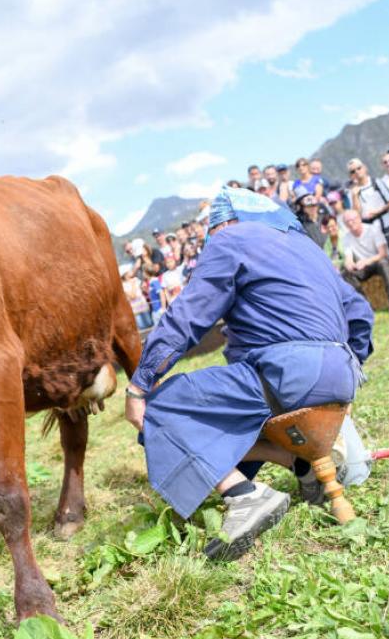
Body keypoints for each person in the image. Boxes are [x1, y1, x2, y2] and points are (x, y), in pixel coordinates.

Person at [124, 187, 373, 561]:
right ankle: (300, 463)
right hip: (340, 373)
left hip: (288, 377)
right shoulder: (308, 249)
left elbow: (188, 317)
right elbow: (360, 312)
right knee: (236, 399)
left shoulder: (231, 240)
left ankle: (244, 496)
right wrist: (350, 370)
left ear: (226, 222)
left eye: (214, 228)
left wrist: (139, 384)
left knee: (159, 409)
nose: (213, 236)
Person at [340, 210, 389, 311]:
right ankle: (364, 305)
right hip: (363, 268)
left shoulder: (373, 229)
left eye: (352, 220)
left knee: (383, 263)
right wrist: (349, 265)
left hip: (377, 261)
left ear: (359, 219)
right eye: (347, 222)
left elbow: (382, 253)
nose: (350, 223)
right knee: (346, 273)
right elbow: (348, 258)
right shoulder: (346, 238)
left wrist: (366, 262)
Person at [348, 158, 389, 262]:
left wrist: (379, 211)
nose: (357, 172)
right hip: (370, 227)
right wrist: (355, 196)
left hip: (387, 222)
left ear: (364, 168)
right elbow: (356, 214)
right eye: (353, 171)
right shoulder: (352, 192)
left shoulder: (376, 182)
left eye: (358, 168)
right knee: (383, 257)